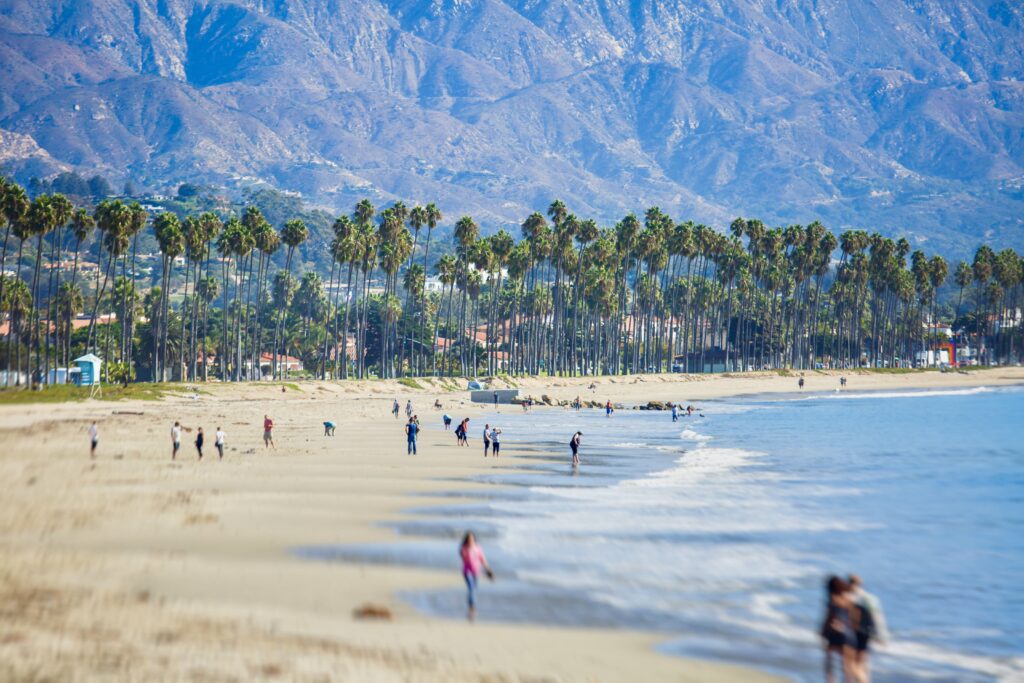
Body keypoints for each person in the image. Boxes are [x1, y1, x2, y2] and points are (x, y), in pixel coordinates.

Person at [849, 574, 888, 682]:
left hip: (856, 633)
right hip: (867, 633)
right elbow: (878, 618)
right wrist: (881, 635)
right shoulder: (871, 598)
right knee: (863, 664)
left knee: (854, 665)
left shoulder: (851, 598)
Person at [820, 575, 857, 683]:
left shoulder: (832, 599)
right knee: (848, 666)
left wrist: (823, 631)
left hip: (835, 633)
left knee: (830, 665)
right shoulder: (849, 600)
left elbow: (829, 617)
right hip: (849, 634)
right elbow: (853, 618)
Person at [460, 531, 493, 622]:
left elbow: (482, 559)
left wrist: (488, 569)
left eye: (472, 538)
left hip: (476, 572)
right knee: (471, 588)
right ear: (467, 539)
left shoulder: (478, 548)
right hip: (467, 572)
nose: (471, 540)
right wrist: (468, 549)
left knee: (474, 589)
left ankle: (471, 605)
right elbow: (464, 558)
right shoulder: (464, 548)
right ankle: (472, 607)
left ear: (474, 539)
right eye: (469, 538)